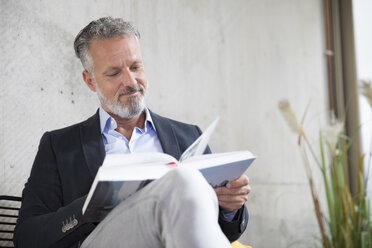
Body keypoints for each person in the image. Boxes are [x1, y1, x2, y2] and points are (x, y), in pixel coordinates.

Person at [14, 17, 251, 248]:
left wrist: (230, 209)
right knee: (181, 179)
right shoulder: (59, 146)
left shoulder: (188, 136)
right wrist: (89, 206)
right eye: (114, 73)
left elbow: (220, 232)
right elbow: (26, 236)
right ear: (90, 81)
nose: (130, 81)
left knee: (185, 182)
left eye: (136, 66)